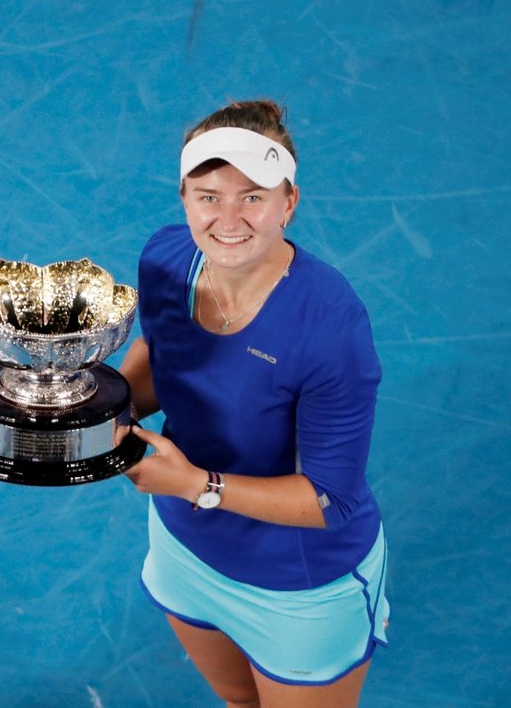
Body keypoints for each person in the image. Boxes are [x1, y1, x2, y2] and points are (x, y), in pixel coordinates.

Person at [119, 100, 389, 708]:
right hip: (184, 548)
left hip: (299, 585)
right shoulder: (166, 260)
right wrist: (101, 408)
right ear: (184, 197)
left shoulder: (329, 327)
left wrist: (196, 484)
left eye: (253, 197)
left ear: (289, 202)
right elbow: (162, 352)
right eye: (209, 196)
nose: (229, 218)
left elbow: (331, 497)